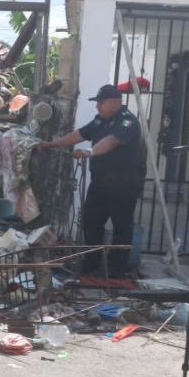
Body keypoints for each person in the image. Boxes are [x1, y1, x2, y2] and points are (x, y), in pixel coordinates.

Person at [39, 84, 145, 277]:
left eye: (101, 103)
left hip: (123, 185)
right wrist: (52, 144)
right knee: (91, 223)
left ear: (115, 102)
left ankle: (116, 271)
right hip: (100, 183)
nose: (98, 107)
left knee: (122, 227)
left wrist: (89, 151)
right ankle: (91, 264)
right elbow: (79, 134)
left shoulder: (127, 122)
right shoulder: (100, 121)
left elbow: (111, 141)